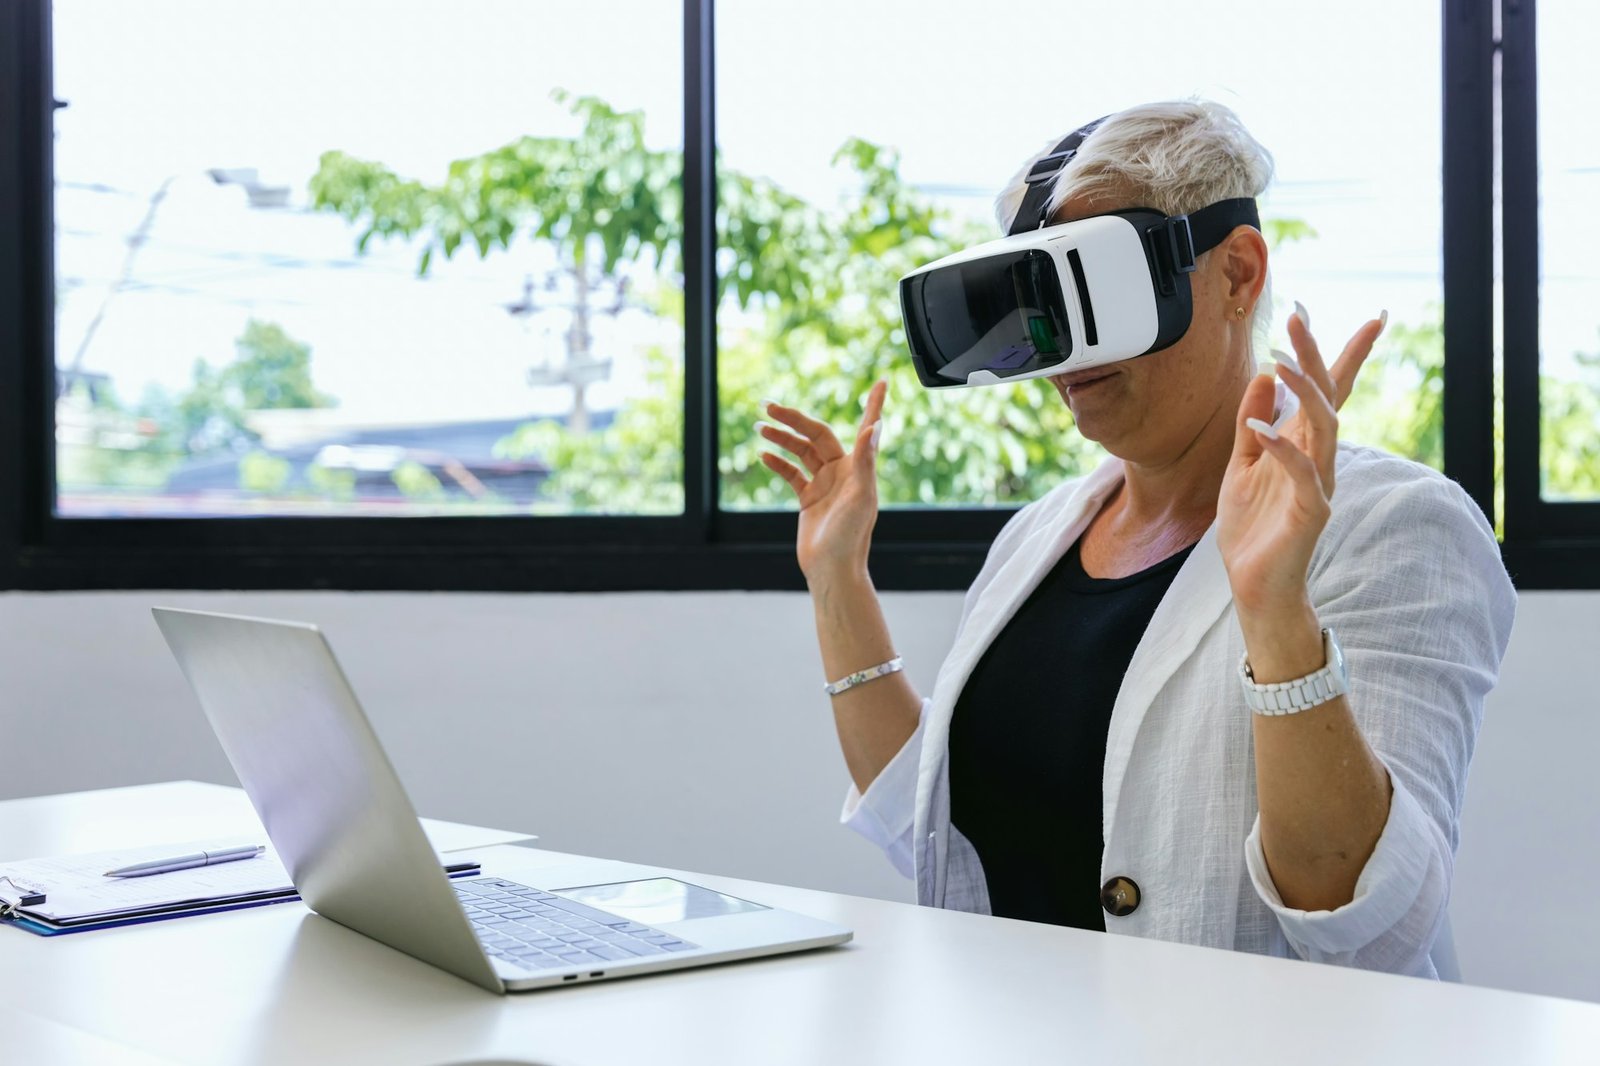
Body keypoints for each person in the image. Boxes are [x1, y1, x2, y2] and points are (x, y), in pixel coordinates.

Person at [756, 100, 1515, 977]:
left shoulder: (1397, 525)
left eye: (1100, 286)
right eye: (1039, 299)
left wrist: (1275, 613)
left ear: (1237, 272)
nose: (1065, 350)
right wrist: (838, 577)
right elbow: (926, 819)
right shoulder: (1039, 536)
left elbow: (1363, 918)